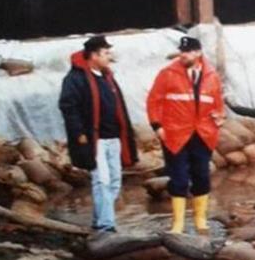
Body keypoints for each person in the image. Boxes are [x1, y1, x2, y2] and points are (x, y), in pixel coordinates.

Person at [58, 34, 138, 233]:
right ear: (93, 55)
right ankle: (106, 226)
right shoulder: (75, 78)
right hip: (96, 140)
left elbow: (119, 107)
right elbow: (69, 107)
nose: (109, 57)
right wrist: (79, 133)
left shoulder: (108, 77)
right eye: (106, 53)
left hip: (114, 138)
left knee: (114, 182)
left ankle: (98, 219)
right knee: (101, 181)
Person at [146, 35, 225, 234]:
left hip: (202, 135)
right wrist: (157, 126)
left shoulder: (211, 75)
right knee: (178, 178)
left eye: (188, 51)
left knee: (202, 176)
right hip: (175, 134)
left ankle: (200, 220)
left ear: (198, 53)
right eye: (182, 51)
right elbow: (153, 101)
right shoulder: (167, 74)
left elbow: (217, 103)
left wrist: (219, 118)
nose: (183, 55)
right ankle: (178, 223)